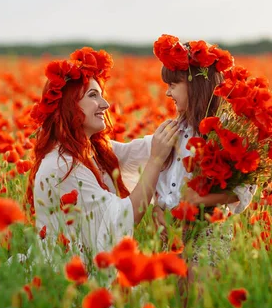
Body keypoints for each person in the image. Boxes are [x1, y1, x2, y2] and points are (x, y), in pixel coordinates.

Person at [23, 47, 179, 265]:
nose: (105, 105)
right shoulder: (62, 165)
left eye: (101, 95)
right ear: (69, 104)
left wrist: (190, 121)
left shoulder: (91, 150)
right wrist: (156, 161)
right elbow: (126, 217)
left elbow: (140, 150)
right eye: (93, 95)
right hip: (67, 274)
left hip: (91, 264)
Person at [151, 34, 257, 264]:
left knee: (199, 293)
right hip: (168, 233)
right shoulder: (171, 130)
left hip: (208, 232)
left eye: (172, 85)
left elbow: (244, 188)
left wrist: (201, 200)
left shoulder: (227, 130)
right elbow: (159, 176)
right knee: (172, 296)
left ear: (195, 85)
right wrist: (157, 208)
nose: (168, 93)